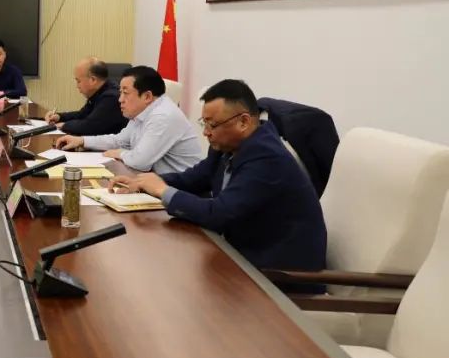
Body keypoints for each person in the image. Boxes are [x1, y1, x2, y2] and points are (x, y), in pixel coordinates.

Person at [112, 80, 328, 273]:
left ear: (243, 122)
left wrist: (162, 190)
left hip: (277, 273)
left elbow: (219, 213)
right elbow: (197, 178)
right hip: (239, 253)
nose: (206, 132)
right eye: (204, 123)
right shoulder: (230, 144)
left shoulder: (267, 158)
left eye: (212, 125)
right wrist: (145, 182)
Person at [56, 65, 200, 174]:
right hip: (155, 181)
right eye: (120, 93)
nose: (120, 99)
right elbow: (120, 140)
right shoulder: (143, 111)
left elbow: (141, 161)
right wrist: (82, 141)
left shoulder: (163, 116)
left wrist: (119, 153)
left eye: (125, 93)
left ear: (147, 96)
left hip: (182, 190)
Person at [44, 57, 126, 136]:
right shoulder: (99, 92)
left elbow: (89, 126)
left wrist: (64, 125)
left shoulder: (111, 98)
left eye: (78, 81)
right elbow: (82, 114)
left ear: (93, 80)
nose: (77, 86)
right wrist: (59, 117)